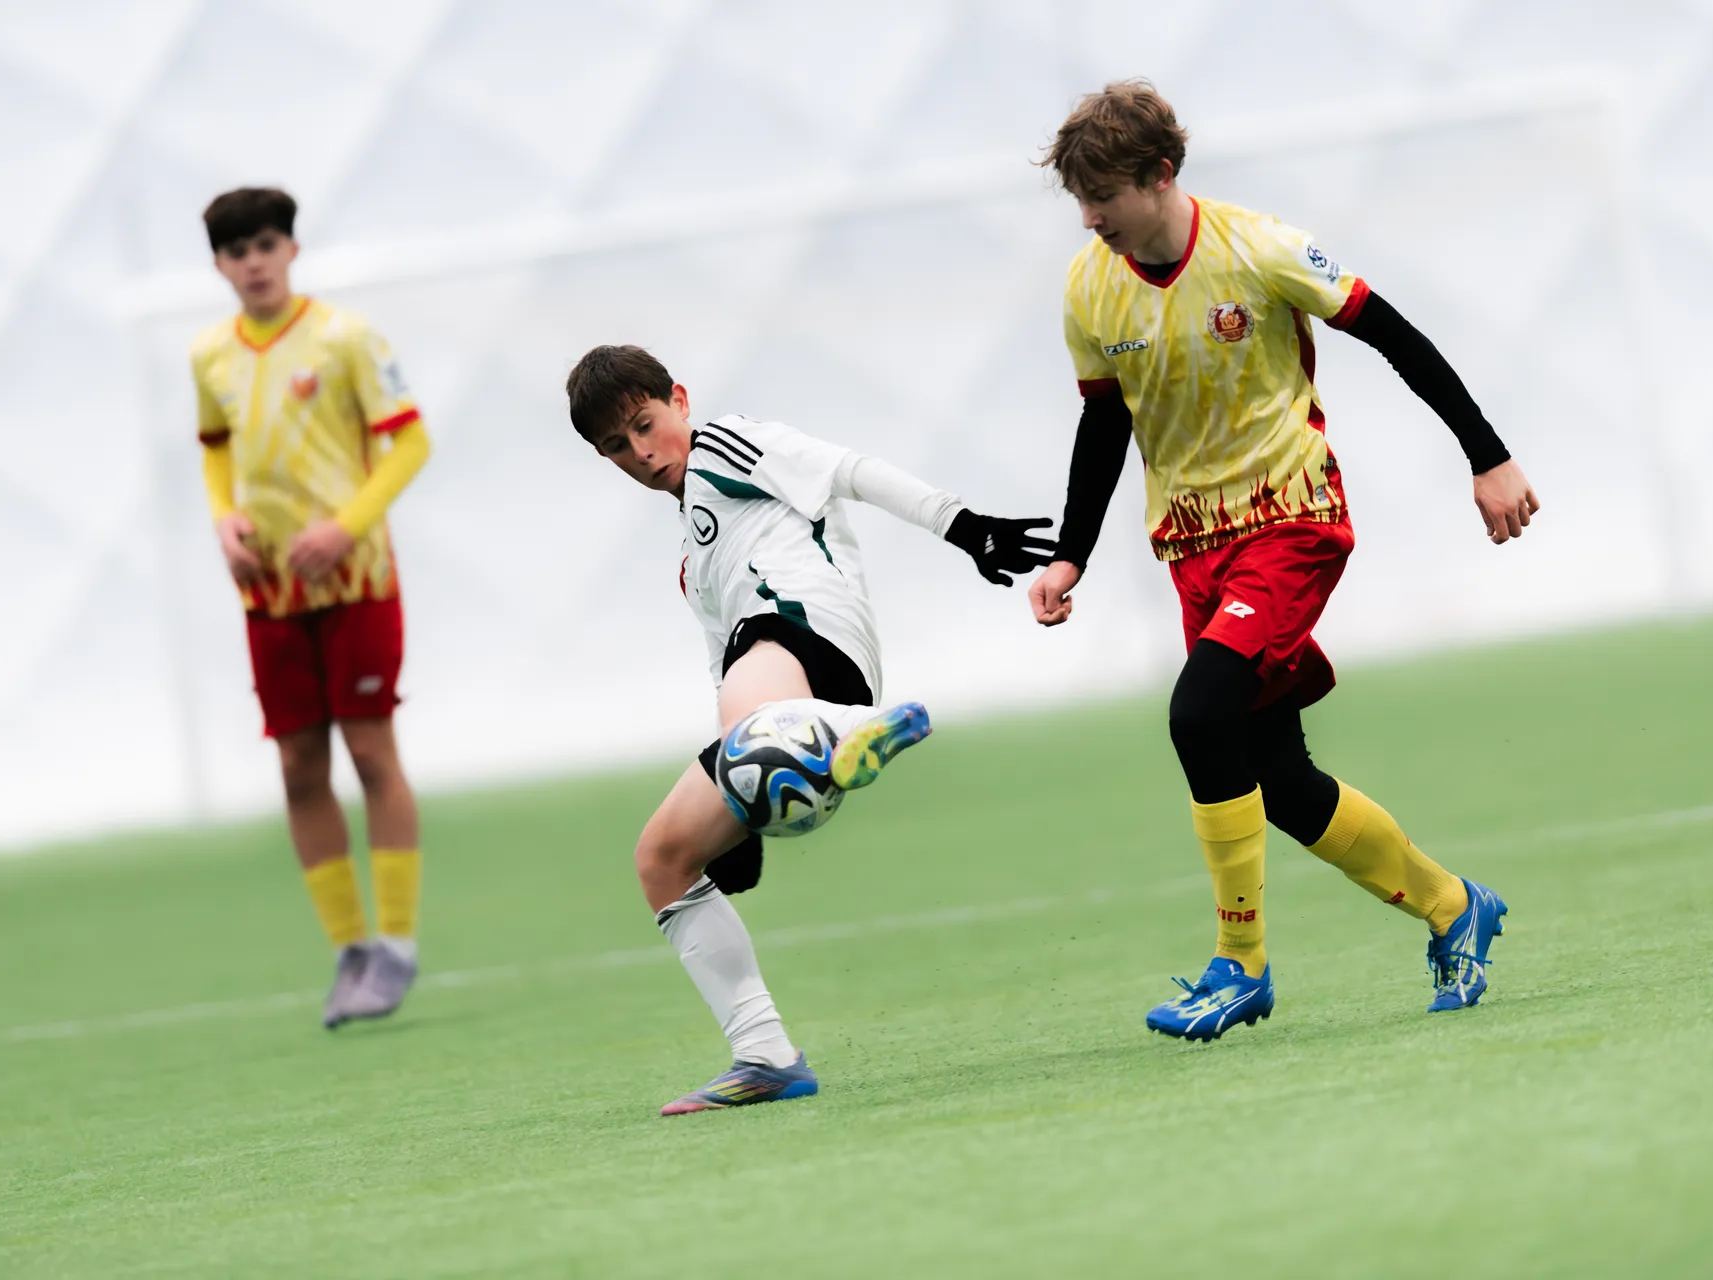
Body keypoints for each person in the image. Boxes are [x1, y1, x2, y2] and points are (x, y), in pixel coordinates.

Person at [1028, 82, 1540, 1041]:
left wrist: (1488, 455)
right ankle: (1451, 905)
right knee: (1277, 777)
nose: (1090, 216)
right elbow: (1105, 425)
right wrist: (1071, 557)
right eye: (1079, 199)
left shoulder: (1258, 248)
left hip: (1290, 520)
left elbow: (1396, 335)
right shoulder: (1089, 288)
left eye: (1104, 192)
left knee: (1198, 713)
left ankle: (1241, 967)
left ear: (1161, 176)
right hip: (1191, 547)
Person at [566, 344, 1052, 1113]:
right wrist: (739, 799)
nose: (642, 452)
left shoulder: (727, 443)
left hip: (802, 633)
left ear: (680, 400)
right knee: (662, 858)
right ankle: (764, 1054)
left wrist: (964, 526)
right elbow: (722, 678)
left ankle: (845, 730)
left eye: (646, 424)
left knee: (756, 685)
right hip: (767, 689)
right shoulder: (693, 563)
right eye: (617, 447)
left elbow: (849, 469)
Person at [191, 187, 432, 1030]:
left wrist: (345, 526)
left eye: (264, 244)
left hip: (357, 580)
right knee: (298, 764)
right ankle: (349, 950)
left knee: (370, 750)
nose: (252, 261)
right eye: (235, 250)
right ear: (219, 265)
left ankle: (396, 944)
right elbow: (216, 453)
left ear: (291, 249)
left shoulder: (346, 339)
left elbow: (411, 442)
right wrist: (225, 520)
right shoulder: (209, 355)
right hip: (270, 591)